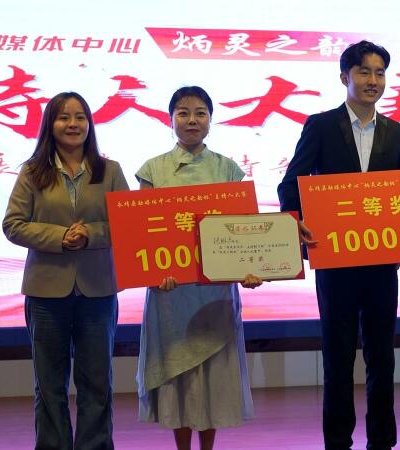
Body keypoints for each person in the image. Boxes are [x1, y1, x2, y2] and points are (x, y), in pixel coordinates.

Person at [277, 41, 400, 450]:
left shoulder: (397, 133)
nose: (373, 80)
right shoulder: (321, 125)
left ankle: (382, 442)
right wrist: (294, 221)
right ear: (344, 77)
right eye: (364, 72)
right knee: (337, 358)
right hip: (335, 261)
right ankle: (337, 442)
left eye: (379, 73)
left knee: (382, 357)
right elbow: (291, 184)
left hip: (382, 263)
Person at [135, 86, 261, 450]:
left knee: (213, 376)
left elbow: (243, 230)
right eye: (183, 112)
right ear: (170, 119)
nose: (192, 120)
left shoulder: (228, 169)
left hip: (215, 292)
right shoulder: (153, 169)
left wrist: (249, 269)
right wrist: (152, 274)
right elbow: (142, 233)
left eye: (200, 113)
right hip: (170, 292)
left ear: (211, 119)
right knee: (178, 375)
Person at [3, 91, 129, 450]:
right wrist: (60, 237)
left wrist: (91, 234)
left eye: (80, 117)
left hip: (98, 290)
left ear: (90, 124)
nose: (73, 124)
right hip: (45, 293)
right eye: (64, 117)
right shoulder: (32, 171)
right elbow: (13, 224)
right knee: (49, 385)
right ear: (51, 124)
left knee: (97, 383)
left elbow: (128, 225)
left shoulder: (110, 171)